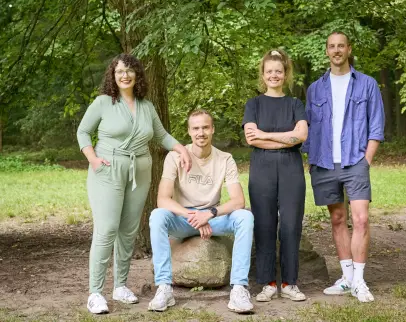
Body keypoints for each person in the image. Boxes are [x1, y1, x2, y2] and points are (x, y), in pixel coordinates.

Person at [77, 53, 191, 314]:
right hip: (108, 168)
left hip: (140, 169)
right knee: (106, 229)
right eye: (119, 72)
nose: (125, 75)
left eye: (129, 71)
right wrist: (93, 159)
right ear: (113, 76)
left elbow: (161, 135)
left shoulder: (146, 106)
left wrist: (181, 149)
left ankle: (120, 286)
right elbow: (83, 131)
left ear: (137, 75)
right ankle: (95, 292)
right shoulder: (103, 102)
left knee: (128, 231)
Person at [303, 31, 385, 303]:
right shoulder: (315, 88)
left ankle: (360, 281)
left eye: (341, 46)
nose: (336, 50)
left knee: (360, 219)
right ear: (326, 51)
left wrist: (367, 159)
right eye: (331, 46)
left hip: (355, 161)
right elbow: (309, 128)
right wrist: (310, 159)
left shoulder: (367, 84)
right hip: (325, 162)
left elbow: (376, 125)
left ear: (349, 49)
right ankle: (347, 278)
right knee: (337, 219)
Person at [148, 109, 254, 314]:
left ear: (213, 129)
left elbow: (238, 200)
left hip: (213, 217)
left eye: (205, 127)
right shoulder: (174, 157)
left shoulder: (225, 159)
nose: (201, 133)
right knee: (157, 216)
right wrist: (194, 216)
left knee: (245, 217)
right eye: (196, 128)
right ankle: (164, 287)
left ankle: (239, 288)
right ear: (189, 132)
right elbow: (162, 199)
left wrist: (209, 214)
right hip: (183, 219)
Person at [242, 49, 308, 302]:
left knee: (291, 225)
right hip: (262, 169)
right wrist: (285, 139)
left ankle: (291, 283)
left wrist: (266, 135)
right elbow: (251, 138)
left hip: (291, 168)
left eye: (278, 71)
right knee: (265, 225)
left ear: (286, 73)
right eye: (269, 71)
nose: (274, 75)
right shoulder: (254, 104)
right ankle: (268, 283)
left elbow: (301, 136)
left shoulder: (295, 104)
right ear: (263, 74)